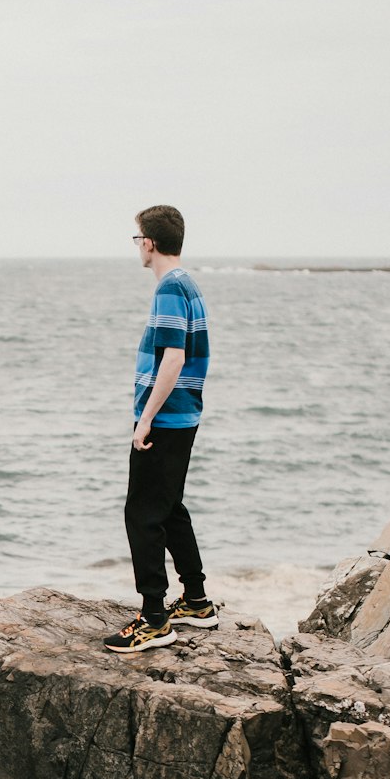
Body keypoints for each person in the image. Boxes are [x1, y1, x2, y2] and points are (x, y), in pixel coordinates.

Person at [104, 204, 217, 654]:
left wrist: (146, 417)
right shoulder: (188, 284)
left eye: (137, 239)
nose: (138, 247)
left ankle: (154, 619)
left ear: (148, 242)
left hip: (166, 417)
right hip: (184, 413)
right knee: (168, 508)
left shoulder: (169, 290)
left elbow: (174, 358)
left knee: (142, 513)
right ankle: (196, 600)